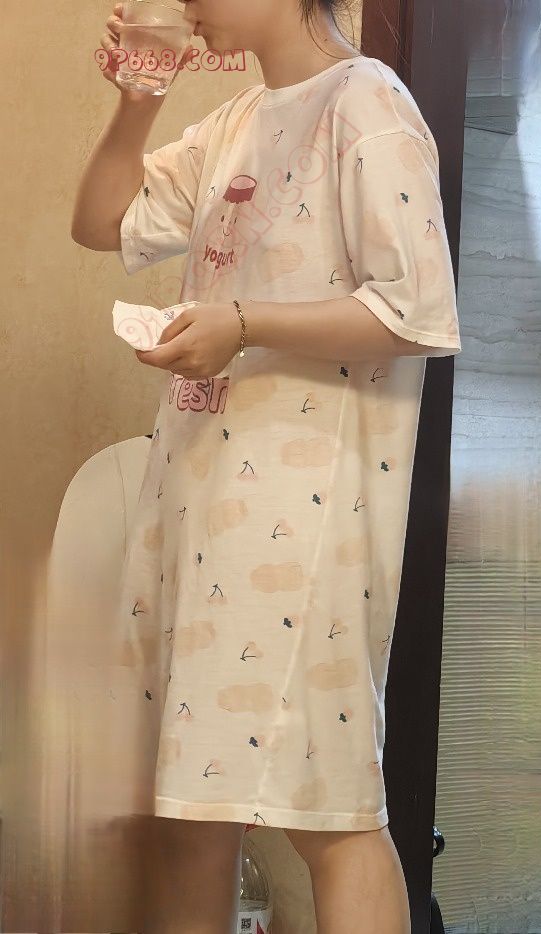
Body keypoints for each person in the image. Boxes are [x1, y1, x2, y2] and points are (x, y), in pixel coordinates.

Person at [71, 0, 461, 930]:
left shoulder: (368, 104)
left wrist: (243, 324)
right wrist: (137, 101)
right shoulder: (239, 120)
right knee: (191, 809)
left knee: (332, 814)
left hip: (304, 516)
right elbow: (100, 223)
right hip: (197, 498)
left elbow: (414, 309)